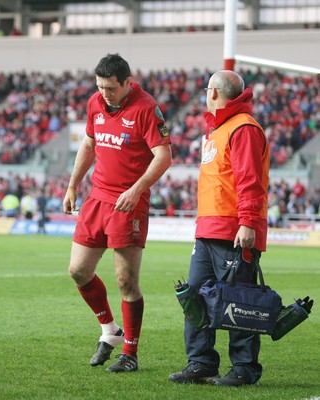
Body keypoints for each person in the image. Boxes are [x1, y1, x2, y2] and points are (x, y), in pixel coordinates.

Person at [63, 53, 172, 373]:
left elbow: (163, 156)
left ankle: (130, 353)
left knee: (126, 281)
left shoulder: (146, 108)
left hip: (128, 201)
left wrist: (136, 190)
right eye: (100, 87)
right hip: (97, 197)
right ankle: (110, 332)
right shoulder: (95, 103)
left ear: (127, 82)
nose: (104, 94)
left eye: (111, 88)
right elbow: (88, 145)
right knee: (78, 271)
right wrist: (72, 186)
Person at [169, 70, 270, 386]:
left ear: (213, 92)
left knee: (239, 302)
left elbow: (249, 179)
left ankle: (244, 368)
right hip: (208, 229)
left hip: (233, 231)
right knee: (194, 299)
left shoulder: (243, 129)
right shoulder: (219, 129)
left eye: (205, 90)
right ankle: (201, 362)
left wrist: (248, 223)